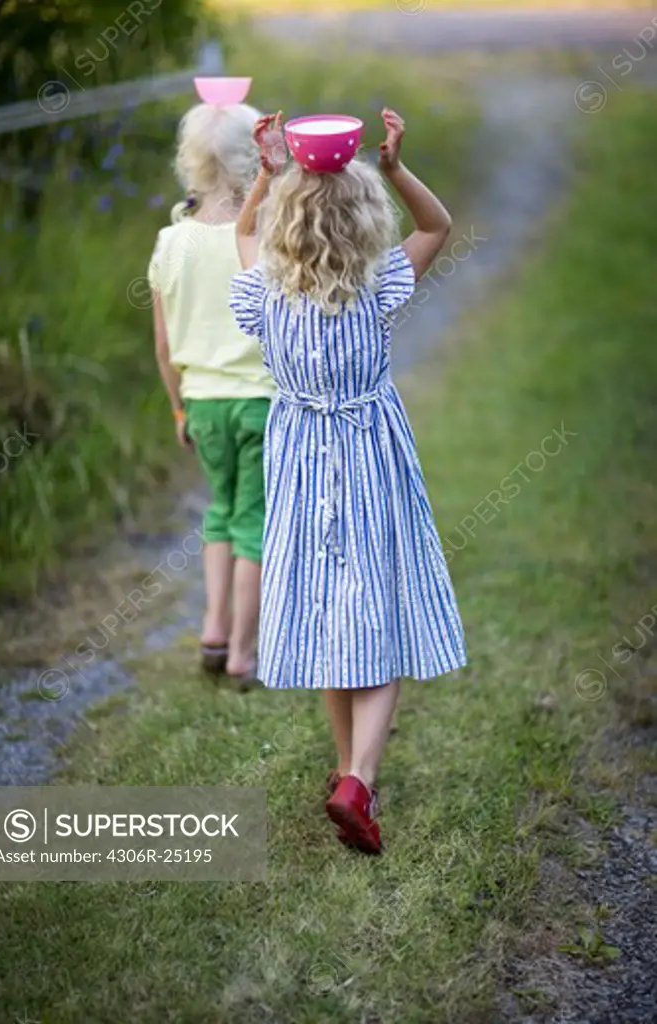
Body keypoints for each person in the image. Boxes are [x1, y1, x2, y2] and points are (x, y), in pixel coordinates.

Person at [228, 108, 467, 854]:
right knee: (381, 609)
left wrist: (265, 177)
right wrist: (395, 167)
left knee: (333, 614)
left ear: (286, 219)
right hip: (370, 455)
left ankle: (348, 774)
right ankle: (356, 779)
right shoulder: (376, 282)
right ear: (364, 215)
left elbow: (241, 236)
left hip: (299, 459)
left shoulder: (266, 290)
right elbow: (437, 226)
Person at [148, 97, 275, 684]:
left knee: (219, 514)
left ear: (190, 163)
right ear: (257, 162)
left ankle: (213, 627)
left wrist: (178, 406)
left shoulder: (170, 243)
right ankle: (245, 655)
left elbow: (164, 344)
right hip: (260, 403)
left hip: (201, 403)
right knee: (253, 522)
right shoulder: (263, 240)